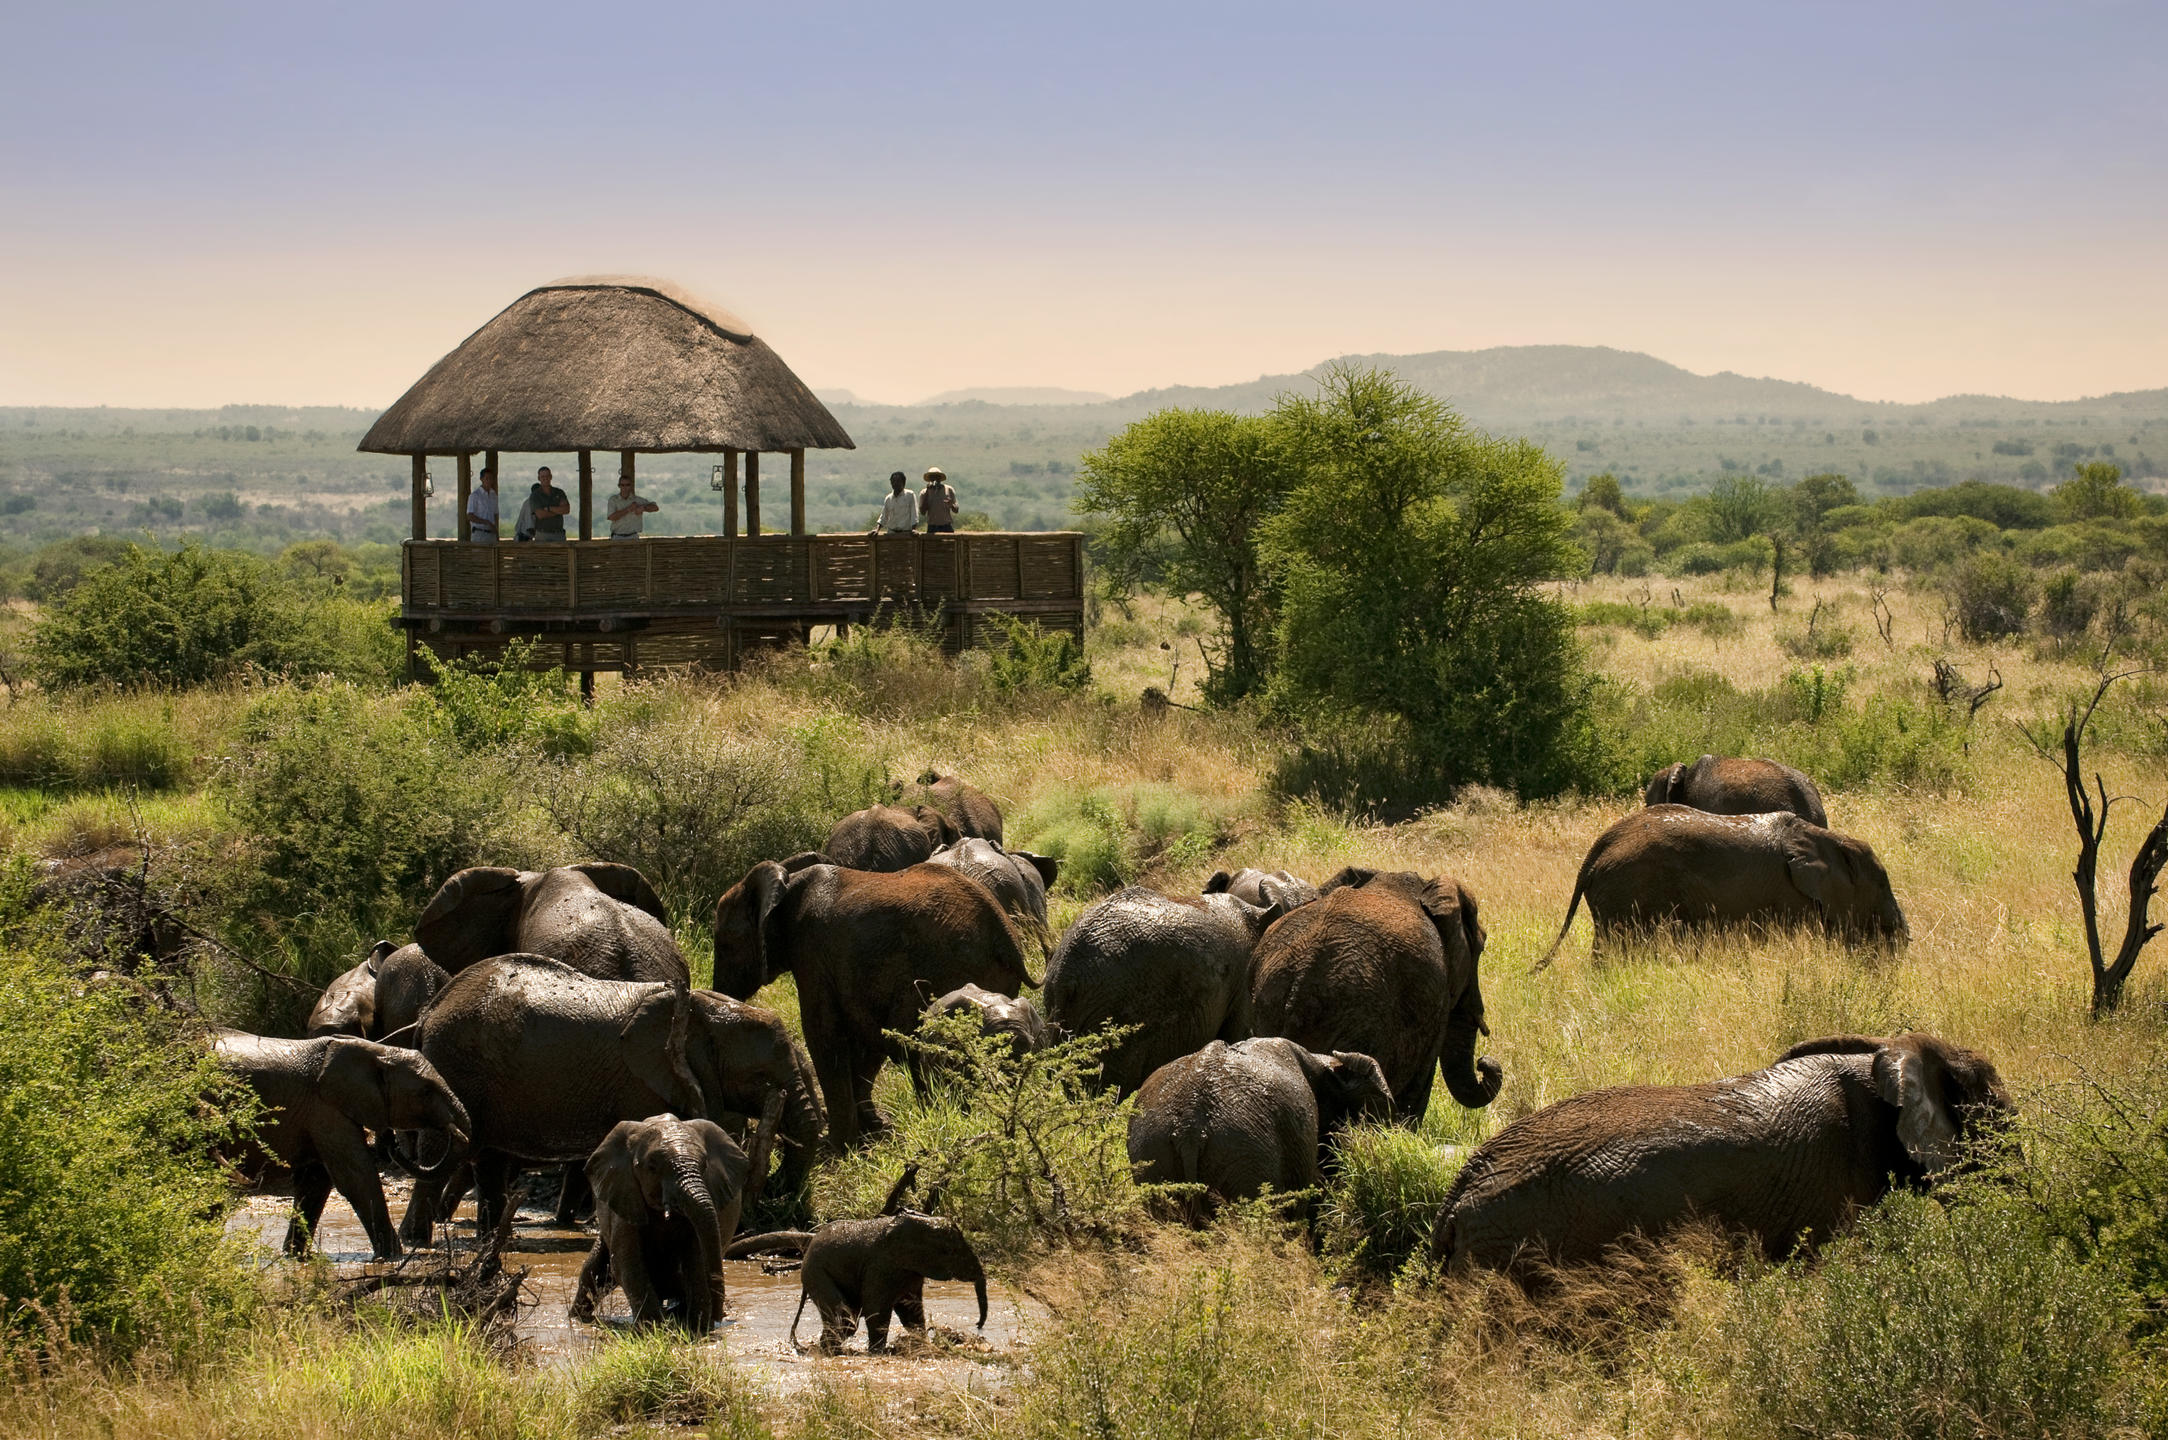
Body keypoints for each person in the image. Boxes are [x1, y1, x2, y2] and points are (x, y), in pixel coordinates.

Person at [607, 471, 659, 539]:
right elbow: (611, 517)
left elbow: (655, 508)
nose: (625, 487)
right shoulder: (613, 500)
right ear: (619, 486)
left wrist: (644, 508)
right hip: (617, 536)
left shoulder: (637, 500)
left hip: (633, 536)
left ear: (631, 485)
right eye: (622, 485)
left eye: (627, 485)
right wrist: (628, 509)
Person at [528, 466, 570, 541]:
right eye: (543, 476)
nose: (545, 478)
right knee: (542, 553)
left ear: (551, 477)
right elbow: (540, 514)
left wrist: (548, 509)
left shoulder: (559, 492)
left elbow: (566, 510)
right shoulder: (535, 495)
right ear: (539, 478)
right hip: (542, 534)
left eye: (547, 476)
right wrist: (558, 512)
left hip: (559, 534)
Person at [919, 467, 959, 534]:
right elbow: (922, 512)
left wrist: (951, 504)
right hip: (932, 527)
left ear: (940, 479)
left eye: (937, 477)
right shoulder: (924, 492)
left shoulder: (949, 490)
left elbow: (956, 510)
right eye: (932, 477)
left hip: (946, 526)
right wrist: (927, 492)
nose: (935, 480)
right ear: (929, 479)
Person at [466, 465, 500, 542]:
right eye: (487, 478)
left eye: (491, 478)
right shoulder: (475, 496)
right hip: (479, 533)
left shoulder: (493, 495)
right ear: (481, 479)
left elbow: (495, 514)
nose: (489, 481)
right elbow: (470, 516)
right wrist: (486, 522)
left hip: (491, 534)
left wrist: (496, 530)